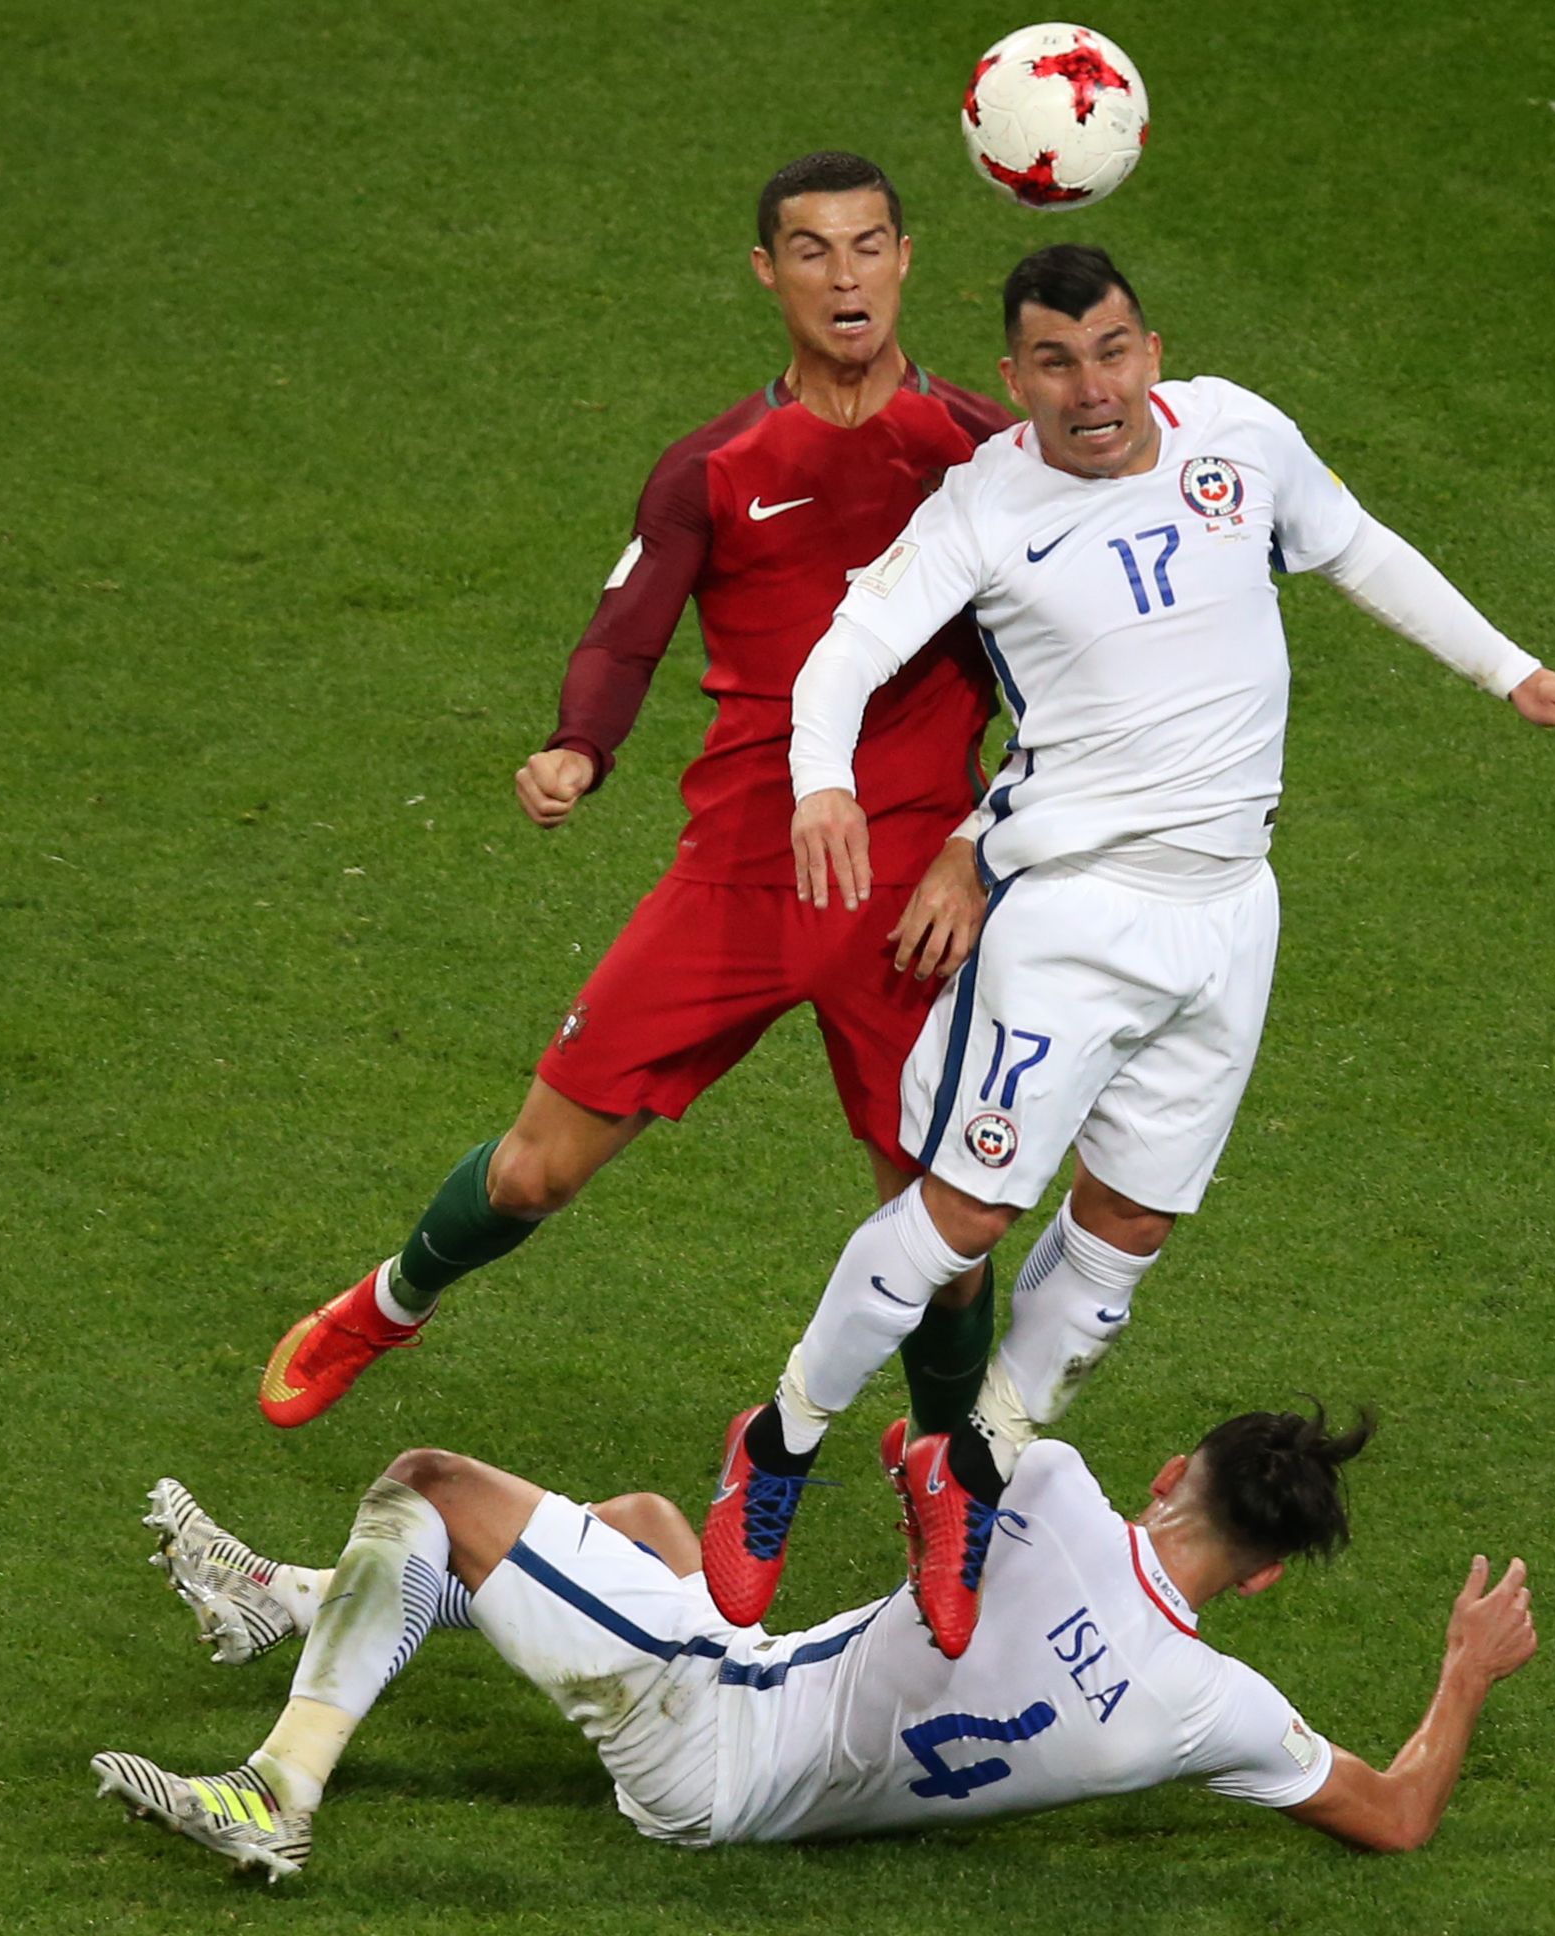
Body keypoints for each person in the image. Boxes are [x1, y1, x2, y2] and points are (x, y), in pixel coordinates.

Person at [699, 243, 1555, 1652]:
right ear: (1012, 374)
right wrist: (819, 781)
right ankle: (773, 1449)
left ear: (1148, 347)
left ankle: (959, 1474)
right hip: (1069, 914)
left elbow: (1356, 543)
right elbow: (846, 644)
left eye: (1111, 351)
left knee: (1126, 1228)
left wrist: (1506, 671)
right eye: (1053, 363)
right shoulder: (984, 507)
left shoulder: (1240, 438)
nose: (1091, 390)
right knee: (964, 1214)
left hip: (1227, 915)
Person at [261, 151, 1013, 1436]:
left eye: (869, 245)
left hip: (907, 893)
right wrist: (576, 746)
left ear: (905, 259)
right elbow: (625, 632)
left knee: (942, 1221)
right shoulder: (713, 465)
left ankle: (945, 1471)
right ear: (765, 272)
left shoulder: (980, 460)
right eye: (814, 250)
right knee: (536, 1166)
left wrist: (980, 851)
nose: (846, 276)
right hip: (738, 872)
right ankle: (388, 1301)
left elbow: (1066, 690)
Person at [92, 1404, 1536, 1878]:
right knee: (650, 1526)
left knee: (430, 1488)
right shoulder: (1213, 1708)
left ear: (1171, 1475)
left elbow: (928, 1432)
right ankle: (280, 1601)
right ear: (1267, 1579)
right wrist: (1461, 1671)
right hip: (770, 1777)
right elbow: (1396, 1815)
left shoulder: (1048, 1489)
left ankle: (274, 1793)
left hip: (715, 1725)